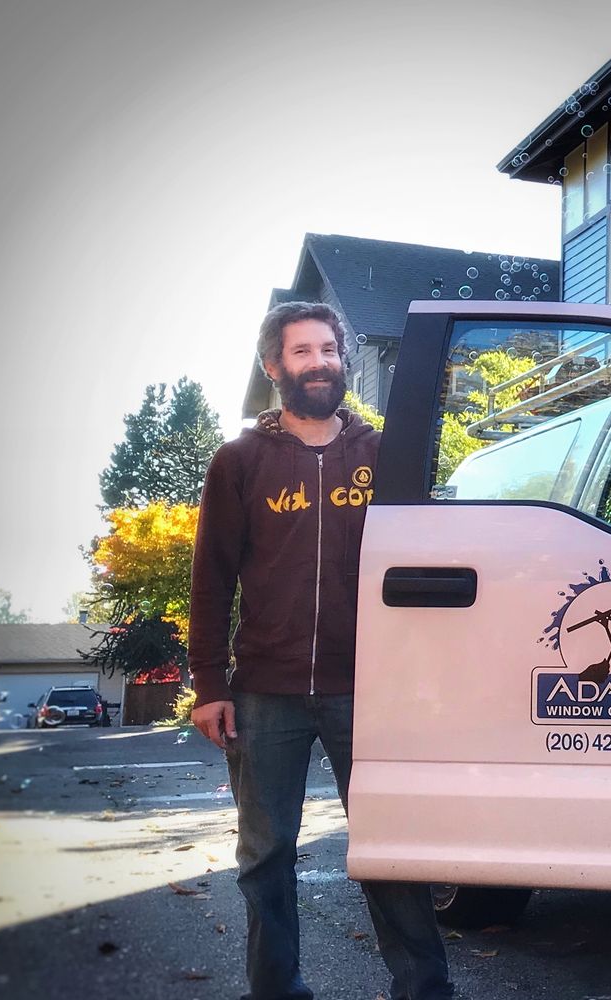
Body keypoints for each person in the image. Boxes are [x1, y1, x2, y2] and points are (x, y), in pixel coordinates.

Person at [188, 301, 455, 1000]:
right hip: (263, 690)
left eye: (329, 350)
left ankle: (424, 990)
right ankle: (277, 991)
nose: (319, 363)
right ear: (274, 366)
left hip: (368, 687)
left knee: (390, 848)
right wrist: (210, 683)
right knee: (266, 856)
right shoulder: (239, 461)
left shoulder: (382, 454)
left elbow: (432, 565)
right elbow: (211, 576)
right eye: (302, 352)